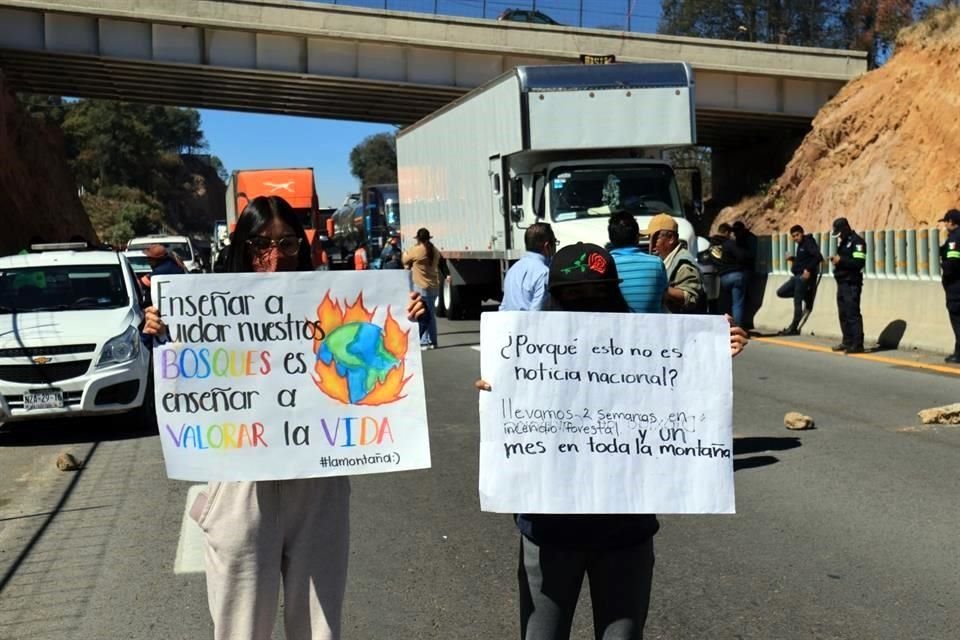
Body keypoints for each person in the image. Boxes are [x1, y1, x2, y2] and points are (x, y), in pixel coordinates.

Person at [142, 195, 425, 640]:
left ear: (303, 248)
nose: (274, 257)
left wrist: (402, 318)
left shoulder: (331, 303)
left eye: (288, 244)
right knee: (240, 628)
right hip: (239, 489)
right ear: (241, 247)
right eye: (260, 245)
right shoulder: (203, 307)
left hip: (317, 485)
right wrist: (160, 332)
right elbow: (182, 380)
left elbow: (370, 364)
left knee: (319, 626)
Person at [476, 243, 748, 640]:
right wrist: (495, 390)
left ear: (615, 294)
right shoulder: (527, 355)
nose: (587, 304)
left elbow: (679, 398)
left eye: (598, 293)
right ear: (555, 297)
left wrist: (713, 355)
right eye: (574, 295)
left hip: (626, 531)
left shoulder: (644, 351)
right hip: (549, 531)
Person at [606, 212, 667, 313]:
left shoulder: (604, 265)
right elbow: (663, 299)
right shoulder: (656, 264)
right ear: (637, 237)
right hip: (652, 327)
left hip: (618, 327)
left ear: (611, 239)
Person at [647, 213, 706, 314]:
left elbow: (691, 298)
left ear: (671, 238)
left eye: (656, 238)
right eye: (649, 237)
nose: (651, 243)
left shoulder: (684, 265)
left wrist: (660, 288)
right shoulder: (664, 259)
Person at [777, 225, 823, 335]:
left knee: (797, 302)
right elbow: (804, 259)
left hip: (803, 278)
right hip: (796, 277)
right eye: (793, 236)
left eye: (797, 235)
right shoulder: (801, 245)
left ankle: (793, 328)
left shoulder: (808, 242)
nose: (795, 238)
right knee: (781, 292)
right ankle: (805, 295)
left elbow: (818, 257)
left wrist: (808, 269)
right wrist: (792, 259)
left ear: (802, 233)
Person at [829, 217, 867, 353]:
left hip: (851, 283)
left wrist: (841, 260)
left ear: (845, 228)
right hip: (842, 282)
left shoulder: (857, 242)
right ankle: (847, 341)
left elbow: (858, 263)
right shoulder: (844, 242)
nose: (839, 237)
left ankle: (857, 344)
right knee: (843, 313)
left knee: (852, 313)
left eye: (840, 233)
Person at [500, 222, 556, 311]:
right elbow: (538, 312)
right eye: (555, 242)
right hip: (529, 324)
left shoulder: (512, 270)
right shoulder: (543, 273)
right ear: (547, 246)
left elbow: (503, 306)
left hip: (509, 323)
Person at [403, 227, 441, 349]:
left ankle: (427, 340)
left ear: (418, 239)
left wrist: (405, 252)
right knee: (430, 314)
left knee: (424, 315)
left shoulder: (417, 250)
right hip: (433, 285)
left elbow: (405, 260)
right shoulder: (434, 250)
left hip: (421, 287)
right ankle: (431, 340)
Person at [714, 223, 750, 327]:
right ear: (726, 232)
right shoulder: (729, 244)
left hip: (723, 278)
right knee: (737, 304)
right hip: (735, 276)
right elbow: (742, 256)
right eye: (730, 233)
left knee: (725, 304)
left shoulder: (712, 245)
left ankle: (724, 328)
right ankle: (737, 329)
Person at [938, 209, 960, 363]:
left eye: (946, 221)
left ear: (951, 222)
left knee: (957, 320)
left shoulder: (954, 239)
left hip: (956, 287)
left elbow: (952, 262)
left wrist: (945, 269)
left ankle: (959, 354)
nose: (945, 224)